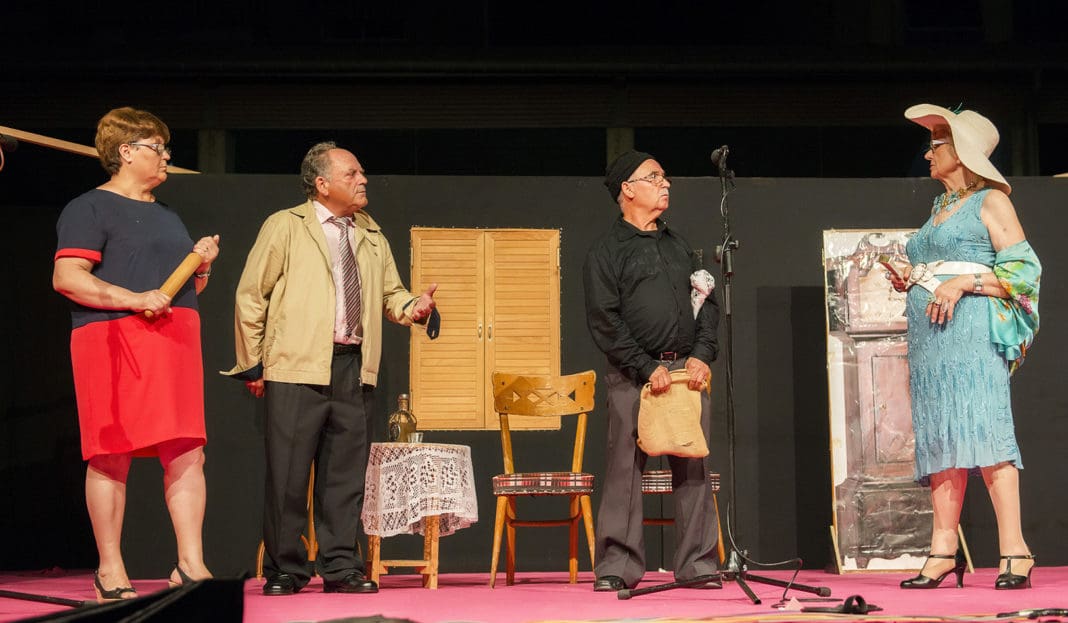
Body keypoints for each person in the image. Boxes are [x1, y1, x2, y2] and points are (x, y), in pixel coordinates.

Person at [226, 142, 437, 596]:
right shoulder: (286, 225)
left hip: (353, 367)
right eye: (352, 174)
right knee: (287, 476)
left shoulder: (370, 233)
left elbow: (390, 294)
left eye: (361, 173)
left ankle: (341, 567)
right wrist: (253, 362)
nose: (363, 180)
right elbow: (251, 296)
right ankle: (286, 568)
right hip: (296, 366)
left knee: (344, 477)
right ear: (322, 184)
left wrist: (413, 307)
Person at [52, 107, 218, 601]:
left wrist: (201, 268)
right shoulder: (89, 207)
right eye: (156, 147)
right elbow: (68, 277)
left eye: (165, 147)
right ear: (126, 152)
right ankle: (110, 570)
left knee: (187, 450)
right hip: (113, 339)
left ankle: (190, 565)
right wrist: (134, 298)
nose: (166, 156)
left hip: (174, 339)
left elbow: (180, 289)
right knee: (111, 453)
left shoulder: (168, 214)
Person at [893, 105, 1040, 590]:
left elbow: (1023, 275)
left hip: (972, 337)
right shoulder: (941, 206)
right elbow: (940, 267)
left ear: (962, 152)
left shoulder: (990, 201)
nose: (927, 152)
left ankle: (1015, 550)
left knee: (986, 432)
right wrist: (912, 277)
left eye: (936, 143)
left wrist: (963, 283)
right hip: (931, 342)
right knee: (940, 437)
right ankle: (942, 550)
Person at [582, 150, 721, 592]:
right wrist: (645, 366)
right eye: (654, 177)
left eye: (665, 176)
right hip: (634, 376)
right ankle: (618, 566)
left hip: (684, 373)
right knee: (625, 470)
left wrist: (702, 353)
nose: (666, 184)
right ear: (627, 189)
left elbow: (707, 302)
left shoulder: (680, 246)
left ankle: (698, 565)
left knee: (693, 467)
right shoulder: (607, 252)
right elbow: (605, 320)